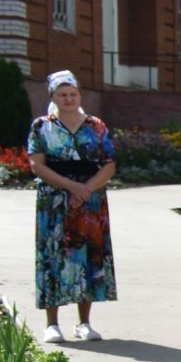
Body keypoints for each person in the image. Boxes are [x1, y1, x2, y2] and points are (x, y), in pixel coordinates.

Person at [27, 70, 116, 342]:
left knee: (87, 255)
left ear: (80, 96)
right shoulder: (42, 126)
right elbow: (36, 165)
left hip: (90, 201)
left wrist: (86, 188)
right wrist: (71, 186)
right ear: (53, 97)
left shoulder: (96, 126)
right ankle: (52, 324)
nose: (68, 99)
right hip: (55, 201)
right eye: (62, 94)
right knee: (53, 256)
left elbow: (109, 164)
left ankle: (84, 323)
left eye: (73, 94)